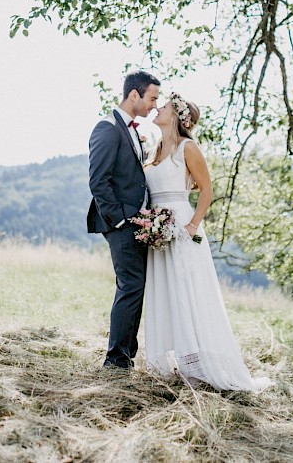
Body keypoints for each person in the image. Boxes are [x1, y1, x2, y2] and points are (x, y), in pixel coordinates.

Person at [142, 93, 272, 391]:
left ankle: (197, 368)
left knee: (188, 293)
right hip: (158, 232)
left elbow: (206, 191)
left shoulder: (188, 148)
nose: (157, 107)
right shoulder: (154, 150)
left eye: (163, 106)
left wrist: (191, 226)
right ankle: (168, 362)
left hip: (182, 229)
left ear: (175, 115)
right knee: (165, 291)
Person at [87, 71, 161, 369]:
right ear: (134, 95)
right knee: (130, 286)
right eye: (152, 98)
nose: (154, 105)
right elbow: (98, 181)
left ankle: (126, 355)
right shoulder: (107, 128)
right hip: (122, 225)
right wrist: (120, 220)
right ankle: (116, 360)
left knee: (135, 287)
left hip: (139, 224)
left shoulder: (131, 129)